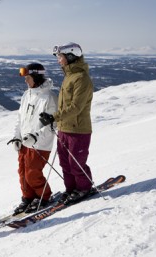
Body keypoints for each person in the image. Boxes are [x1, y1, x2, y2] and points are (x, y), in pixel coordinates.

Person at [39, 42, 94, 203]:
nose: (58, 60)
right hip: (64, 128)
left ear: (70, 56)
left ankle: (83, 188)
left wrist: (54, 117)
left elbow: (76, 107)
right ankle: (71, 189)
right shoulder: (69, 76)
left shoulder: (81, 78)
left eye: (60, 57)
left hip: (78, 129)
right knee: (65, 163)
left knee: (76, 163)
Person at [7, 63, 58, 215]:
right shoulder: (26, 95)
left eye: (27, 77)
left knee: (32, 173)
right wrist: (17, 137)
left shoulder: (49, 97)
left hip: (40, 144)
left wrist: (35, 137)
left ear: (36, 77)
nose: (25, 81)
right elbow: (20, 119)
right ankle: (28, 198)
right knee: (22, 173)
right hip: (24, 142)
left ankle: (43, 196)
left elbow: (52, 124)